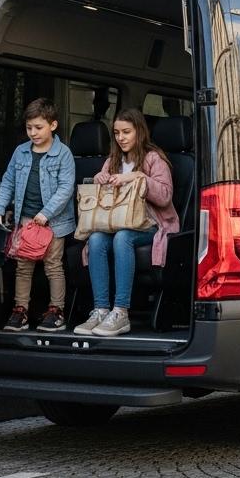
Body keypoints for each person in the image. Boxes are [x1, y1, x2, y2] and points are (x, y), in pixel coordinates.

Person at [76, 108, 179, 337]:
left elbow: (164, 196)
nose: (121, 138)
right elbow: (103, 198)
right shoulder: (113, 161)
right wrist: (99, 179)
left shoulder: (154, 159)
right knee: (95, 238)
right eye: (116, 133)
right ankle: (101, 310)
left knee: (123, 237)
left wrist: (138, 177)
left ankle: (121, 312)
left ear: (139, 132)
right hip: (114, 222)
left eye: (126, 132)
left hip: (150, 224)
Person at [0, 98, 77, 333]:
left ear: (53, 125)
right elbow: (8, 182)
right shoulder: (21, 152)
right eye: (29, 128)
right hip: (26, 221)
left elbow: (66, 189)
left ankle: (56, 311)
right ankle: (20, 311)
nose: (33, 133)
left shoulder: (63, 154)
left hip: (54, 223)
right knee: (23, 267)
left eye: (39, 127)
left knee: (53, 266)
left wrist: (46, 213)